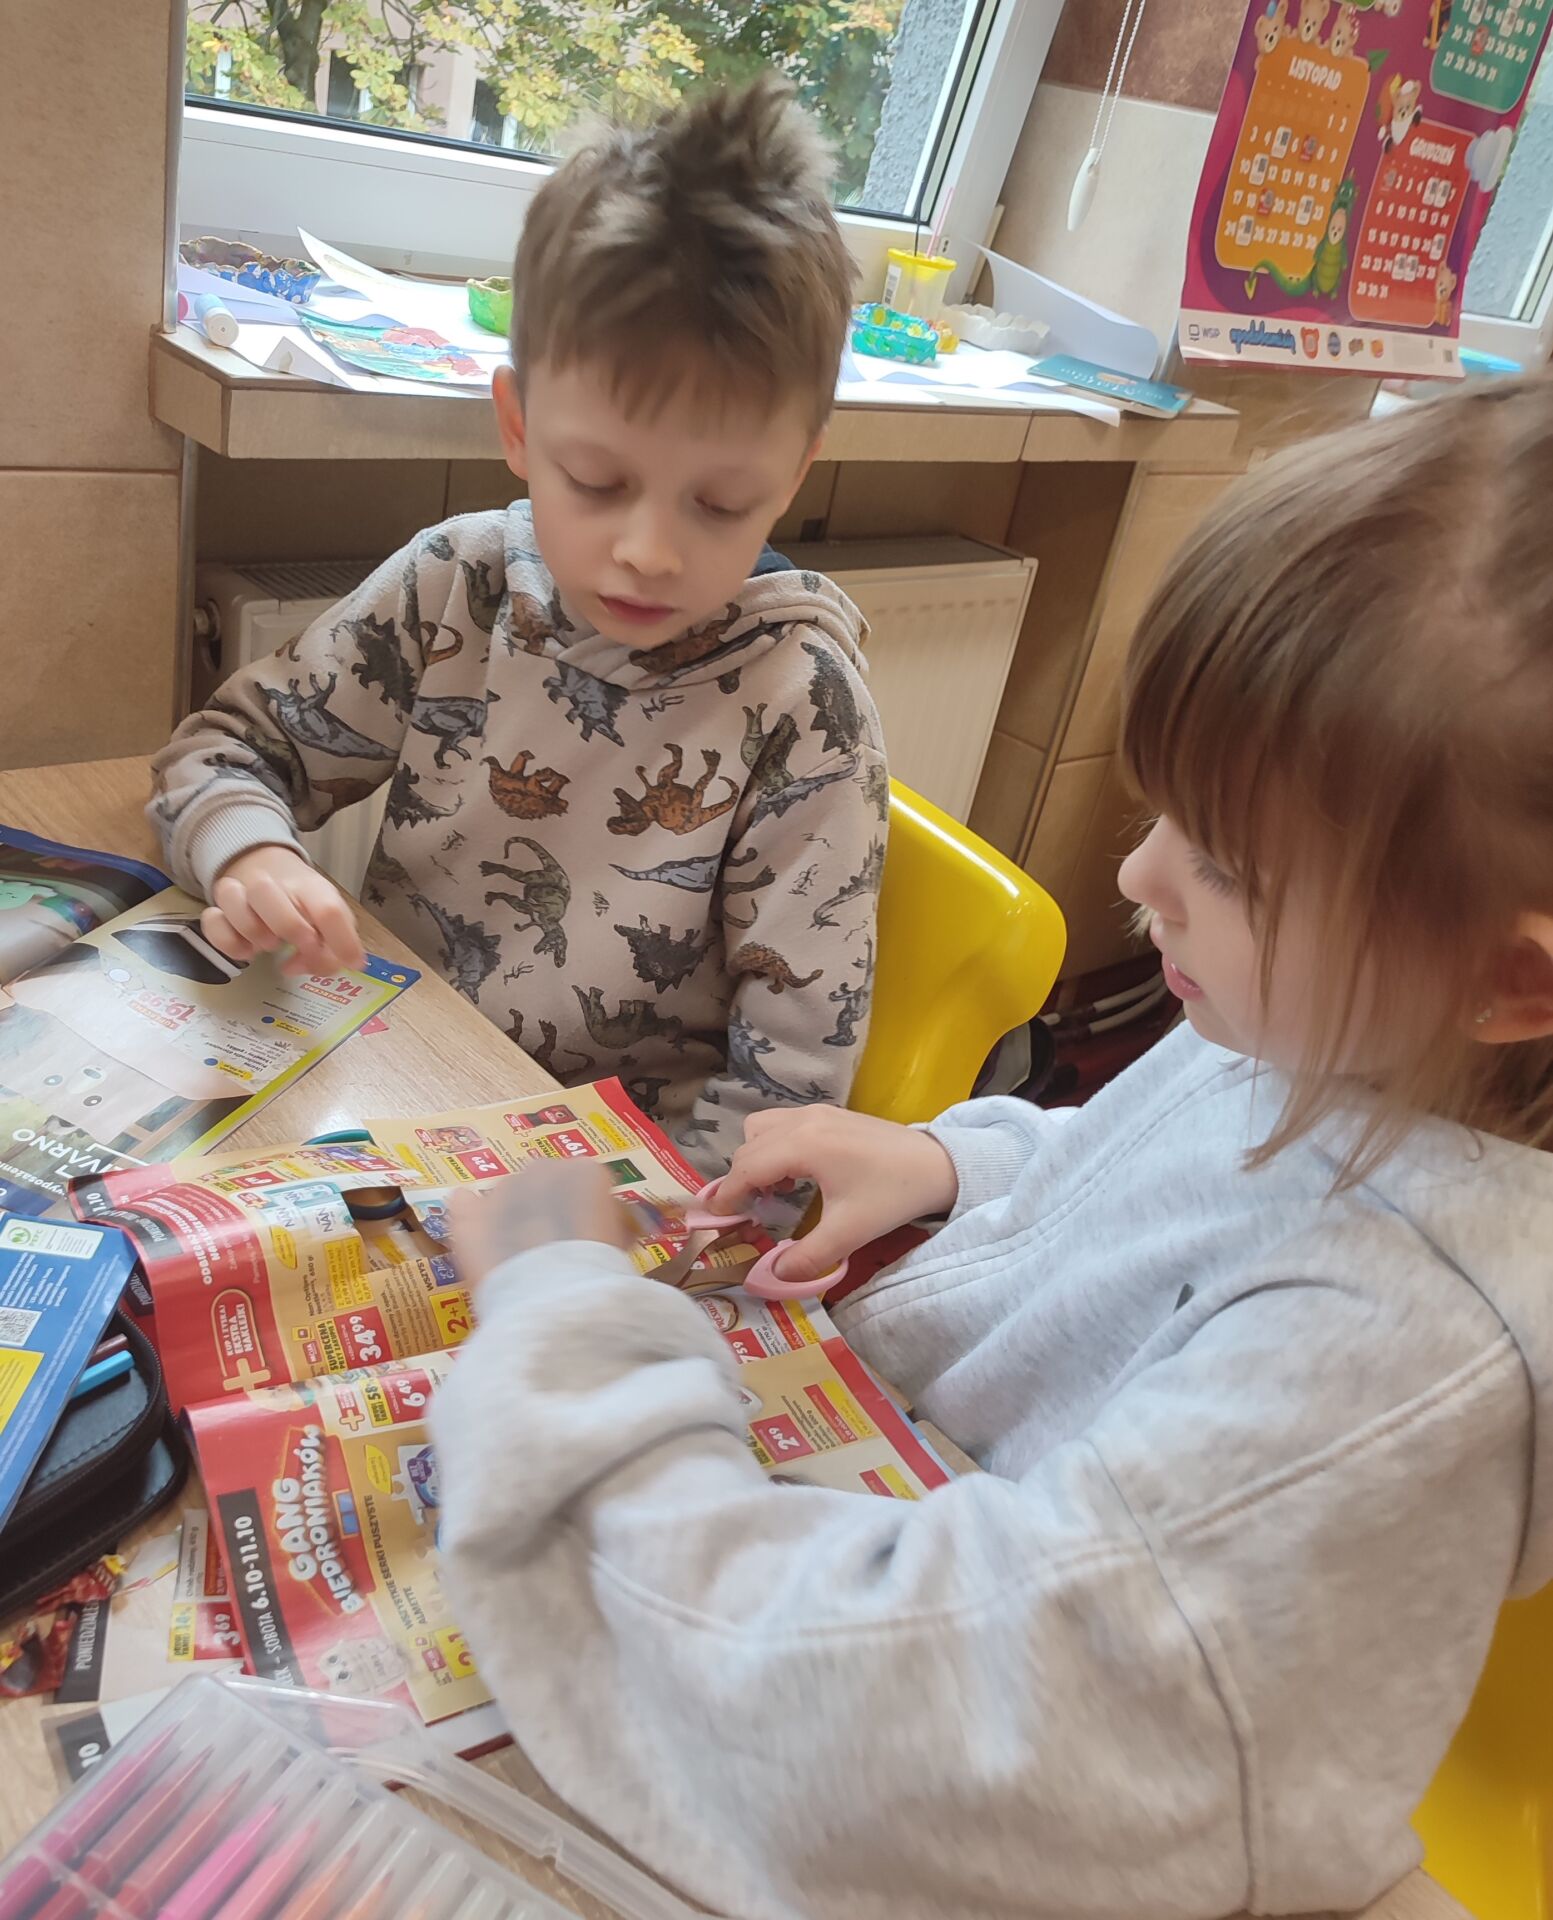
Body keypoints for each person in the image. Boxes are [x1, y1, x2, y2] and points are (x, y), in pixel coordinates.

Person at [431, 377, 1553, 1920]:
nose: (1137, 874)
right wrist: (955, 1167)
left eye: (1230, 868)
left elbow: (861, 1718)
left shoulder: (1396, 1348)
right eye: (1164, 812)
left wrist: (564, 1325)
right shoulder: (1350, 1038)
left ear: (1510, 979)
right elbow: (1149, 1167)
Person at [150, 78, 885, 1178]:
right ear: (517, 426)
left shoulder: (806, 709)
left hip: (610, 1178)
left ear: (794, 475)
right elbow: (222, 753)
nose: (649, 550)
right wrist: (251, 853)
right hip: (393, 1087)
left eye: (721, 502)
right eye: (596, 481)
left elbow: (786, 1096)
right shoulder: (460, 583)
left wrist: (664, 1233)